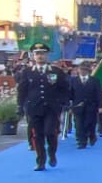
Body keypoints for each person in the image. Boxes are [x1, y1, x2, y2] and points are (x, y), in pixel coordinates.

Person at [17, 42, 71, 171]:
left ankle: (52, 153)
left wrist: (64, 101)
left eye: (43, 54)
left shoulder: (56, 71)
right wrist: (20, 106)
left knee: (50, 132)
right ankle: (40, 161)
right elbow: (22, 90)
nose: (40, 56)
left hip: (51, 108)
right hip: (34, 108)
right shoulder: (27, 72)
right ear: (33, 56)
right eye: (37, 54)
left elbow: (64, 88)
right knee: (38, 135)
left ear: (47, 55)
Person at [69, 58, 102, 148]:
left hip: (91, 106)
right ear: (78, 70)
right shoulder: (73, 80)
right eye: (81, 69)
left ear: (88, 70)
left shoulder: (94, 80)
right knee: (79, 124)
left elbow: (99, 94)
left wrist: (100, 106)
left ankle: (92, 135)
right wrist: (70, 106)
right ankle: (82, 142)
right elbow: (70, 94)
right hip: (78, 106)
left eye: (85, 69)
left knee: (90, 123)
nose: (83, 71)